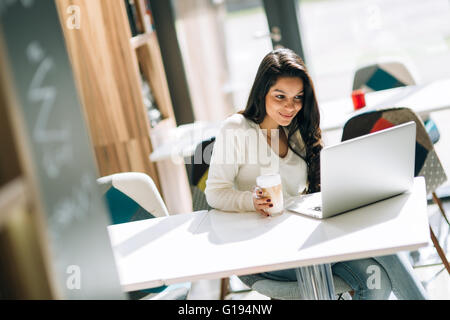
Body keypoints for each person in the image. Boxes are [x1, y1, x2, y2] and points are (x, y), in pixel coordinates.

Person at [205, 48, 428, 300]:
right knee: (383, 264)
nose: (290, 107)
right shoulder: (236, 129)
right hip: (263, 249)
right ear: (261, 92)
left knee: (376, 278)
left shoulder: (296, 131)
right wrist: (252, 201)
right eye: (280, 96)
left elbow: (316, 183)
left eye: (298, 98)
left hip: (302, 237)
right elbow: (214, 193)